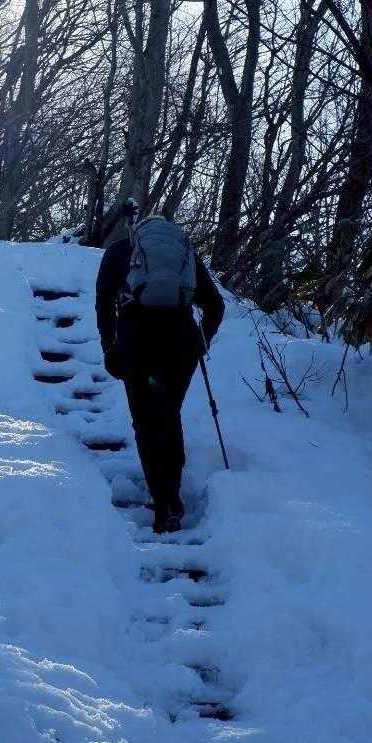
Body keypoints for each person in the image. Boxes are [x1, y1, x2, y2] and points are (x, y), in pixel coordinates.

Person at [95, 203, 225, 533]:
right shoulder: (185, 255)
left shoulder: (119, 252)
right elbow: (215, 305)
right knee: (169, 415)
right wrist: (202, 340)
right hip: (180, 345)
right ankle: (172, 496)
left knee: (146, 421)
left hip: (137, 344)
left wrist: (109, 346)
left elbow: (103, 303)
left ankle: (162, 501)